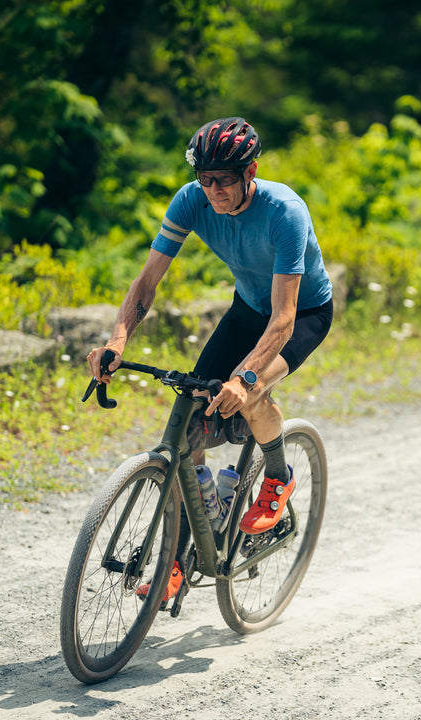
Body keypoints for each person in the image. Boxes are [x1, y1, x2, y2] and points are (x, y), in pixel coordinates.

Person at [86, 117, 333, 600]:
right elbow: (147, 283)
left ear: (250, 171)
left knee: (253, 389)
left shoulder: (285, 211)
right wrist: (117, 339)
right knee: (192, 408)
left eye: (223, 179)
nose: (213, 190)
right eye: (205, 179)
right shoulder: (191, 200)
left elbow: (283, 319)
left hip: (303, 312)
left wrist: (244, 377)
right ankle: (183, 549)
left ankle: (277, 478)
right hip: (247, 308)